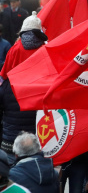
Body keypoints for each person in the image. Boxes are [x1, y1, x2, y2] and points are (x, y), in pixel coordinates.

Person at [0, 13, 47, 163]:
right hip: (38, 137)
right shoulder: (45, 50)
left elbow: (4, 74)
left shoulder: (14, 48)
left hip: (11, 140)